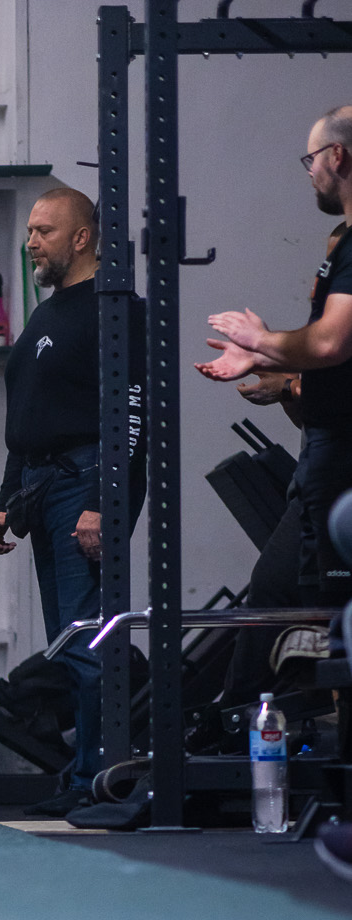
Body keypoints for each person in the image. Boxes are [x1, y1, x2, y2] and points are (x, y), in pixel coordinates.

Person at [0, 185, 146, 816]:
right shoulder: (47, 315)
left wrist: (105, 503)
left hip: (84, 483)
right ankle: (85, 777)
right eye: (29, 231)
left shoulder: (114, 309)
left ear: (82, 238)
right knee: (68, 641)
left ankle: (103, 780)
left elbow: (130, 416)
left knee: (88, 643)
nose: (31, 243)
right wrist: (6, 500)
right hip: (43, 485)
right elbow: (27, 417)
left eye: (44, 231)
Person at [200, 106, 352, 612]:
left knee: (317, 605)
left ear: (337, 156)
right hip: (327, 456)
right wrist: (263, 357)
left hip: (341, 458)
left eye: (312, 159)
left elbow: (330, 344)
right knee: (297, 597)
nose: (310, 172)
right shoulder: (344, 246)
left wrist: (263, 342)